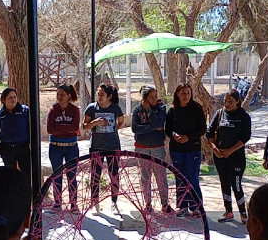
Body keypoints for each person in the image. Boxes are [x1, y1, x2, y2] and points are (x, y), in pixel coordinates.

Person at [206, 89, 251, 224]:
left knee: (235, 184)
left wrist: (231, 150)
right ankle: (228, 211)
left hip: (236, 157)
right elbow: (209, 132)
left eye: (230, 101)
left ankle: (243, 212)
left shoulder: (243, 116)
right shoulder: (220, 114)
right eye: (225, 101)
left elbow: (245, 137)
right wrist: (214, 148)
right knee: (224, 183)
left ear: (238, 102)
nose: (227, 104)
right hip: (220, 156)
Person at [165, 83, 206, 217]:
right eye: (183, 93)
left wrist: (188, 137)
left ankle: (196, 207)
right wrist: (174, 135)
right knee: (180, 178)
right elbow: (168, 129)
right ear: (177, 94)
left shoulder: (196, 108)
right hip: (177, 150)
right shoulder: (172, 110)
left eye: (188, 93)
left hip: (193, 149)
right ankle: (182, 206)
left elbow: (202, 129)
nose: (186, 96)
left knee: (192, 178)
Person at [83, 84, 124, 213]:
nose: (99, 97)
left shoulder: (115, 108)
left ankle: (114, 202)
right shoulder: (91, 108)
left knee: (114, 174)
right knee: (95, 175)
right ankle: (94, 203)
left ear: (109, 96)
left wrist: (114, 129)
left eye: (102, 94)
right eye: (98, 94)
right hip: (96, 146)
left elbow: (121, 121)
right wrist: (95, 123)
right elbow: (84, 126)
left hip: (113, 146)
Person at [131, 85, 172, 214]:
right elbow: (135, 128)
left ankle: (165, 204)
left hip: (157, 147)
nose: (154, 99)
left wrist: (149, 111)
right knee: (145, 176)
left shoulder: (161, 108)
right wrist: (152, 128)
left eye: (155, 96)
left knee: (160, 176)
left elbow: (159, 124)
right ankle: (148, 203)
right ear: (144, 98)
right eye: (150, 97)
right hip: (141, 147)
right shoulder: (137, 110)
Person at [46, 84, 81, 213]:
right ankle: (57, 203)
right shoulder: (53, 110)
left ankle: (73, 204)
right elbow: (50, 129)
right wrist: (68, 130)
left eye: (62, 94)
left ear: (69, 96)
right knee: (57, 175)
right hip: (55, 147)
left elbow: (74, 128)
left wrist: (59, 128)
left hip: (71, 147)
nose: (59, 97)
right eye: (58, 94)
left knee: (71, 175)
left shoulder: (75, 110)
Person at [0, 88, 31, 185]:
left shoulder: (25, 111)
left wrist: (30, 144)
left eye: (14, 97)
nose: (13, 100)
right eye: (9, 98)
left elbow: (32, 128)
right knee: (10, 175)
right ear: (3, 100)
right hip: (6, 149)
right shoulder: (0, 114)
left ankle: (28, 197)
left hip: (23, 148)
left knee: (27, 174)